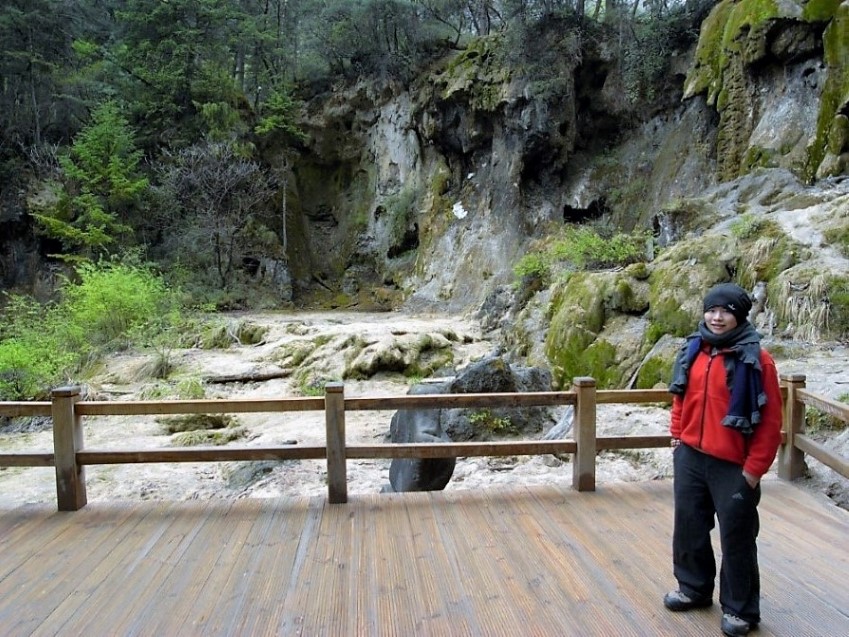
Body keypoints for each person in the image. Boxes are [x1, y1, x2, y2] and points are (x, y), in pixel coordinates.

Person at [663, 282, 783, 637]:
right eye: (712, 310)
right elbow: (680, 395)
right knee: (689, 526)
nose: (717, 317)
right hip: (690, 455)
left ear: (739, 315)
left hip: (734, 465)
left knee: (737, 538)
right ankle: (693, 588)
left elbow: (771, 420)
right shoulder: (695, 348)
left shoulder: (757, 359)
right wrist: (677, 435)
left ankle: (740, 609)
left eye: (726, 311)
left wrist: (753, 470)